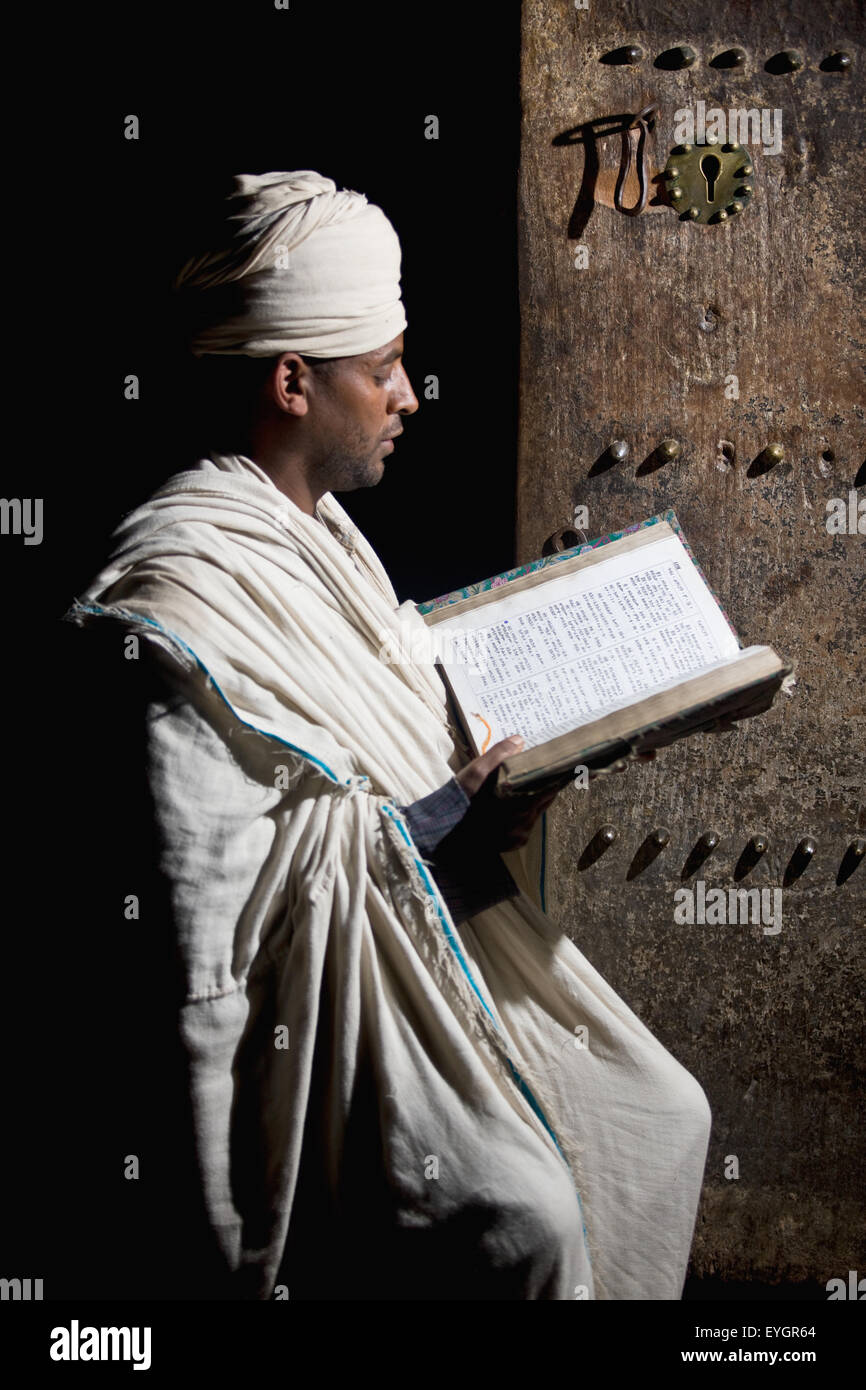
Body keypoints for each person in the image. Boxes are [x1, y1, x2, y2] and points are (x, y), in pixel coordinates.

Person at [63, 170, 711, 1301]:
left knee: (661, 1109)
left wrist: (500, 786)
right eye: (383, 369)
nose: (410, 395)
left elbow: (391, 750)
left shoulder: (324, 534)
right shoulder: (173, 593)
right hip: (327, 1017)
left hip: (427, 932)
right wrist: (441, 817)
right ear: (292, 381)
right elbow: (214, 924)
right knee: (528, 1220)